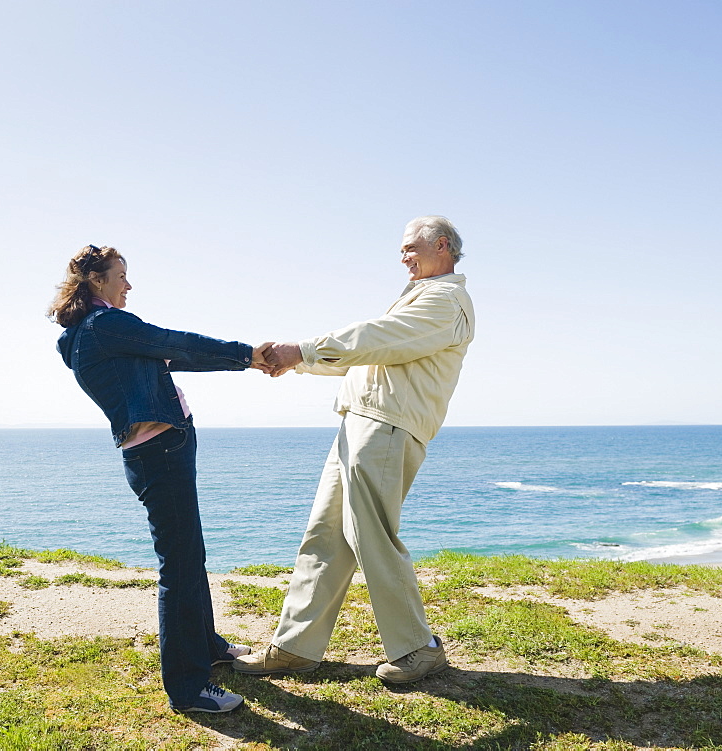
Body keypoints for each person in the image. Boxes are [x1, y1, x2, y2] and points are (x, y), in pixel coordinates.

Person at [235, 216, 475, 683]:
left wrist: (299, 350)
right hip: (364, 423)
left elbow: (375, 340)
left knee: (371, 535)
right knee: (326, 535)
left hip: (386, 427)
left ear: (441, 245)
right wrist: (297, 362)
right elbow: (371, 358)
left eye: (411, 247)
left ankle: (418, 648)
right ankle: (295, 647)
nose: (403, 256)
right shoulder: (425, 298)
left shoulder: (447, 301)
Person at [49, 244, 267, 713]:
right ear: (96, 281)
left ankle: (206, 645)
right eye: (121, 275)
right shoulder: (105, 326)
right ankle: (189, 689)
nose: (128, 284)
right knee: (180, 565)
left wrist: (244, 360)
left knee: (190, 552)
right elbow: (174, 343)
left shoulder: (90, 333)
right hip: (159, 453)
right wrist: (249, 354)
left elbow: (174, 356)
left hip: (157, 450)